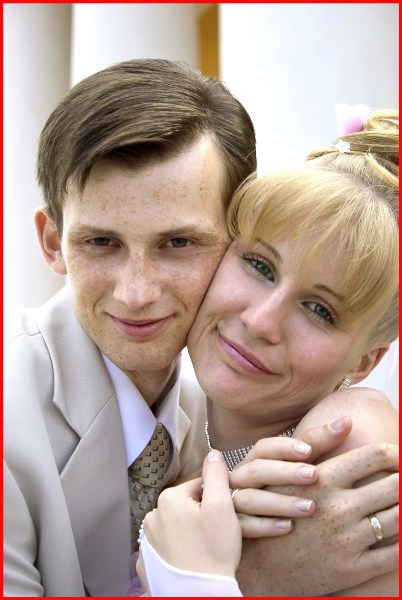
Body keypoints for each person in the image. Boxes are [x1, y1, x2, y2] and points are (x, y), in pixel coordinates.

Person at [3, 57, 398, 597]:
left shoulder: (322, 439)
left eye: (179, 243)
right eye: (100, 242)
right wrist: (252, 579)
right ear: (53, 243)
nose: (136, 294)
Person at [137, 108, 399, 596]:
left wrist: (193, 581)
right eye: (260, 266)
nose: (261, 321)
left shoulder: (351, 436)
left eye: (319, 310)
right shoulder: (168, 423)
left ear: (365, 361)